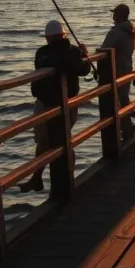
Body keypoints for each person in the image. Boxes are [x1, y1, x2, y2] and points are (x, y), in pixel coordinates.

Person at [20, 20, 90, 192]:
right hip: (67, 101)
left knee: (46, 141)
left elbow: (46, 65)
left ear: (48, 37)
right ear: (63, 35)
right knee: (62, 140)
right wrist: (84, 54)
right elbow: (84, 70)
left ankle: (43, 179)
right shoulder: (72, 51)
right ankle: (53, 179)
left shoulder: (42, 53)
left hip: (46, 102)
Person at [100, 4, 135, 139]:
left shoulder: (115, 32)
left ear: (121, 16)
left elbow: (104, 49)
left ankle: (122, 131)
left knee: (117, 100)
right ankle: (127, 128)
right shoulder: (131, 29)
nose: (113, 16)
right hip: (128, 66)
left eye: (115, 14)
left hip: (117, 69)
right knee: (124, 97)